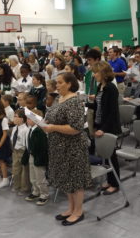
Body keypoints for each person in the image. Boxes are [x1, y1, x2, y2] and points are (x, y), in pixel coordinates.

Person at [42, 73, 91, 226]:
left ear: (69, 84)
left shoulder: (75, 101)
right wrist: (45, 121)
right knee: (66, 179)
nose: (57, 85)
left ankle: (78, 211)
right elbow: (53, 115)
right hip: (58, 146)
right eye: (56, 82)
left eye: (60, 82)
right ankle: (71, 208)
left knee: (75, 179)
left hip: (73, 147)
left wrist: (53, 127)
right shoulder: (59, 98)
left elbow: (76, 128)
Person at [87, 61, 121, 195]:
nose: (94, 75)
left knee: (111, 156)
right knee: (105, 156)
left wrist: (104, 129)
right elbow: (98, 106)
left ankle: (115, 183)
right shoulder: (101, 86)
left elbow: (112, 112)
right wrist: (86, 103)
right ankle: (110, 180)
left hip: (109, 126)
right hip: (101, 123)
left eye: (95, 72)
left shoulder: (111, 88)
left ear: (103, 73)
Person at [23, 109, 49, 205]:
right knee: (33, 176)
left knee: (40, 177)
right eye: (27, 118)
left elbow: (42, 146)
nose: (27, 120)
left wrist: (35, 153)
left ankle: (44, 194)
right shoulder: (30, 129)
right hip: (31, 155)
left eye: (30, 119)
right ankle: (36, 191)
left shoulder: (40, 131)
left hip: (38, 157)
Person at [10, 109, 30, 194]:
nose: (13, 118)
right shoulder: (15, 128)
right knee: (15, 169)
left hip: (22, 151)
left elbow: (26, 144)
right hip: (15, 151)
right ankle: (16, 185)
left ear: (22, 119)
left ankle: (24, 188)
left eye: (15, 116)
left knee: (24, 171)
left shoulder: (25, 130)